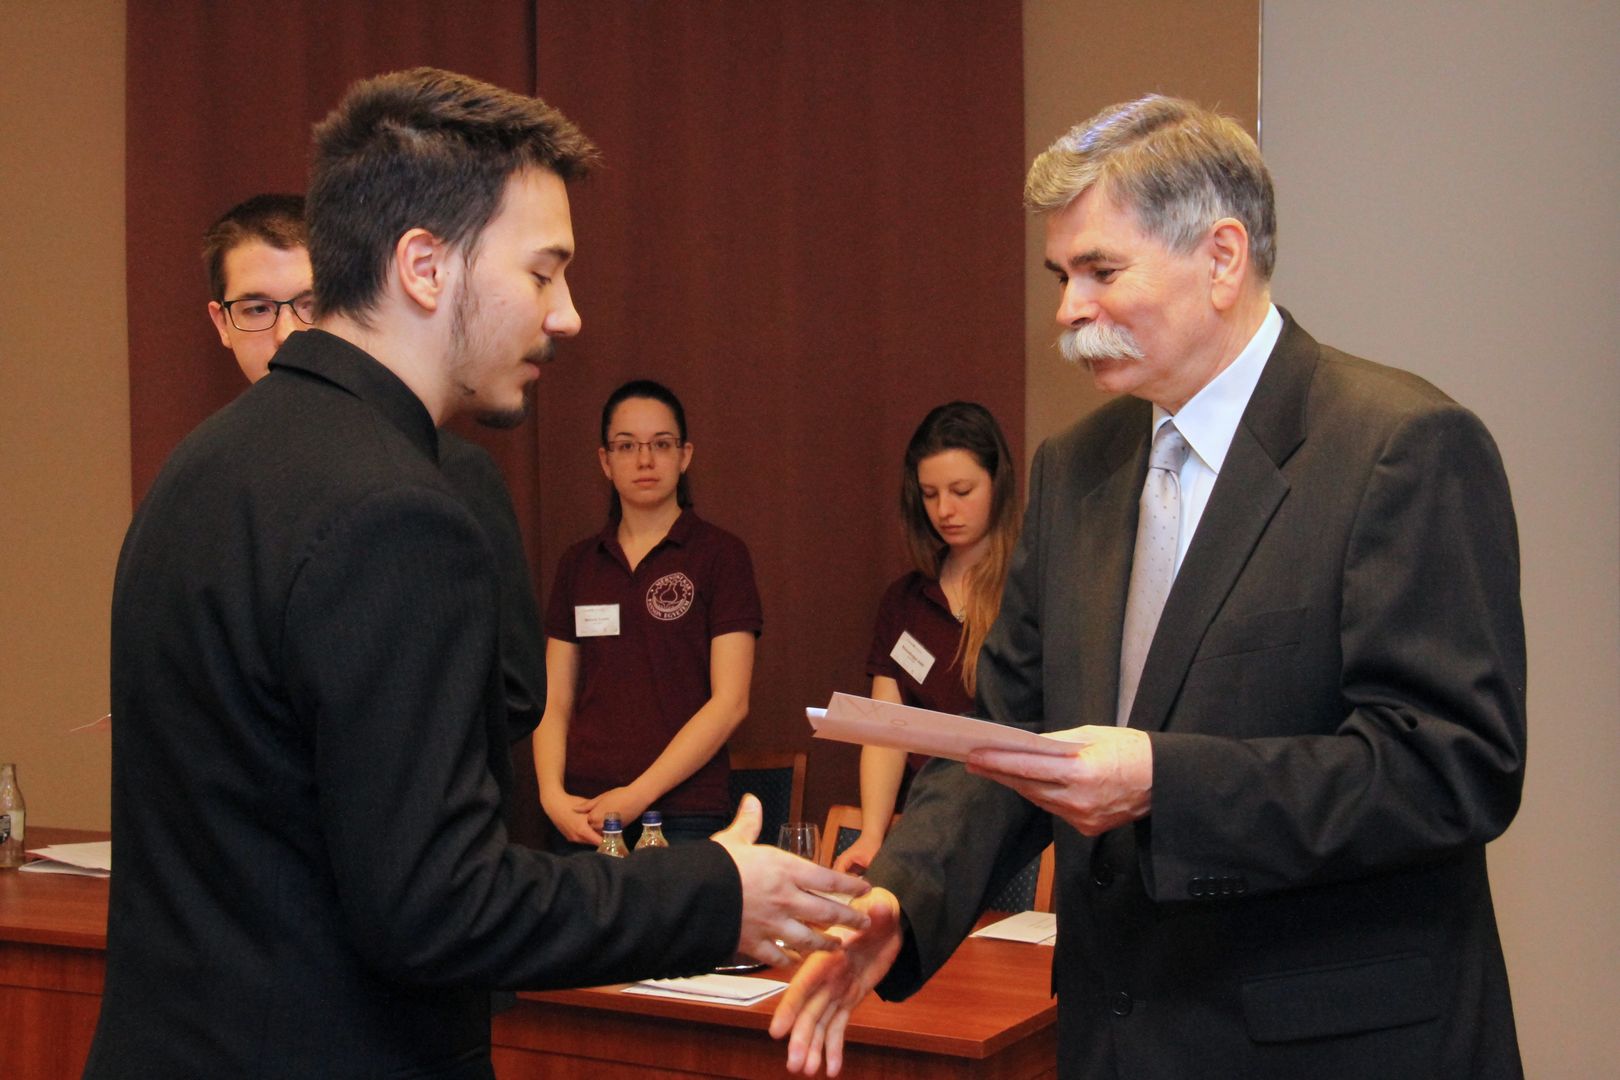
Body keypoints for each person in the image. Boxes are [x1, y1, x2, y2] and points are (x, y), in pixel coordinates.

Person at [87, 67, 867, 1079]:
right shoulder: (397, 513)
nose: (568, 314)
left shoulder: (198, 469)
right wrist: (716, 893)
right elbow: (437, 907)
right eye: (544, 273)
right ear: (425, 266)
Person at [773, 94, 1526, 1079]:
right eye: (1061, 277)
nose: (1068, 311)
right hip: (1117, 1041)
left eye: (1101, 271)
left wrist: (1165, 781)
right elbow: (1006, 735)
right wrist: (902, 901)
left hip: (1327, 1050)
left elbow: (1451, 770)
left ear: (1221, 258)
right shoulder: (1076, 468)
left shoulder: (1399, 447)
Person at [202, 193, 546, 757]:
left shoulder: (449, 470)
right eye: (258, 309)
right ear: (222, 323)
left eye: (310, 303)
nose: (287, 334)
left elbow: (516, 689)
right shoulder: (206, 478)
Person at [536, 379, 761, 848]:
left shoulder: (720, 555)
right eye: (626, 446)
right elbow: (553, 701)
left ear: (684, 455)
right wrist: (552, 796)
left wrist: (637, 795)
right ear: (605, 461)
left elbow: (731, 702)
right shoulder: (578, 564)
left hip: (685, 812)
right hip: (584, 813)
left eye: (661, 444)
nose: (644, 460)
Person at [832, 402, 1020, 874]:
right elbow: (885, 731)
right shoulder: (905, 600)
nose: (944, 510)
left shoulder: (1029, 588)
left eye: (962, 491)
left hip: (1014, 829)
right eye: (930, 494)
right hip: (925, 829)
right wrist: (872, 835)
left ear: (998, 484)